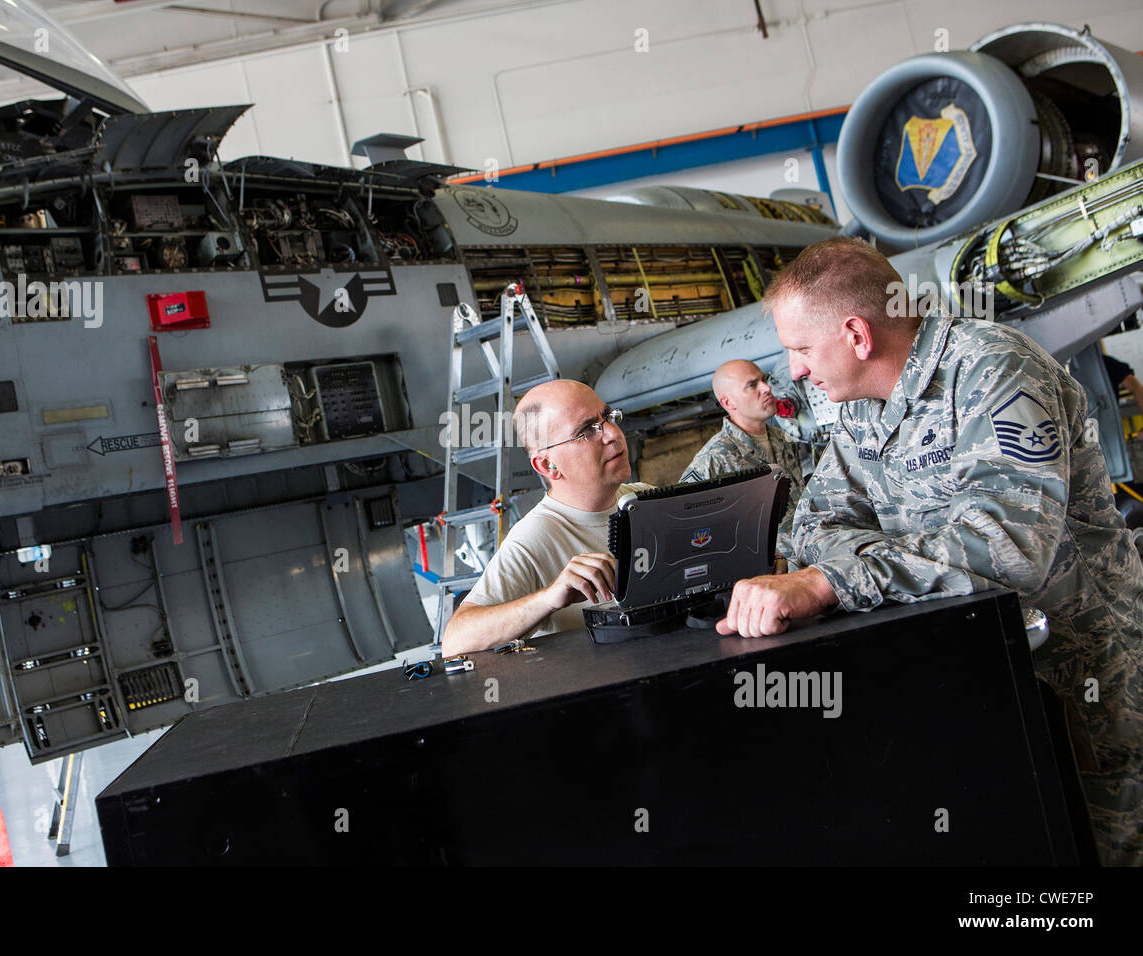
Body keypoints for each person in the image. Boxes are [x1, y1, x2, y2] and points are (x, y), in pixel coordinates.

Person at [715, 236, 1143, 866]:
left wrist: (830, 583)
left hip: (1087, 671)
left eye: (802, 349)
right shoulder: (860, 408)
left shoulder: (994, 370)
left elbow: (1010, 547)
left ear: (858, 335)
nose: (797, 370)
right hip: (981, 670)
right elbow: (809, 526)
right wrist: (869, 561)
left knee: (1109, 848)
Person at [441, 380, 650, 656]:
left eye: (608, 417)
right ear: (547, 465)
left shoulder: (646, 500)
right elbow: (456, 641)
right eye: (587, 430)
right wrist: (551, 597)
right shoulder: (534, 538)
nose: (612, 433)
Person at [681, 359, 806, 566]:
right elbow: (688, 530)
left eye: (764, 380)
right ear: (728, 403)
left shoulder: (782, 438)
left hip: (808, 562)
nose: (767, 388)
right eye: (752, 385)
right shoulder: (714, 459)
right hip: (768, 577)